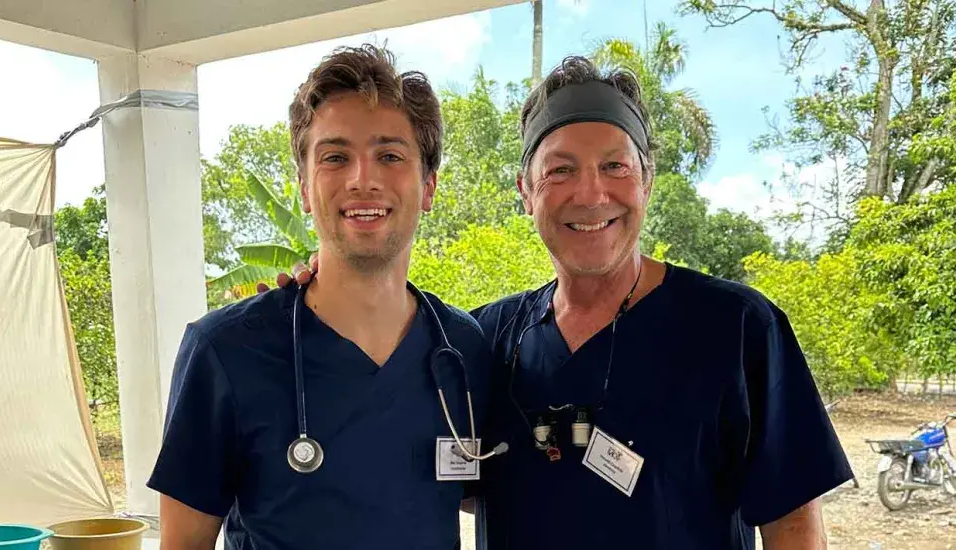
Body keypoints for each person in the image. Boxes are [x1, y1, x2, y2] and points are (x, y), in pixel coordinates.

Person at [282, 56, 853, 549]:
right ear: (525, 190)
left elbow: (793, 523)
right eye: (560, 170)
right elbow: (421, 464)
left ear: (646, 180)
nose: (590, 193)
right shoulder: (483, 340)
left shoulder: (736, 330)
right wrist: (315, 303)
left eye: (614, 166)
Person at [147, 44, 499, 550]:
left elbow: (472, 497)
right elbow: (183, 544)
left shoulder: (464, 350)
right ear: (305, 188)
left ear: (428, 186)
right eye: (335, 157)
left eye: (390, 155)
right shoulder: (224, 352)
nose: (363, 179)